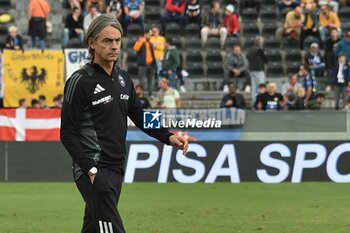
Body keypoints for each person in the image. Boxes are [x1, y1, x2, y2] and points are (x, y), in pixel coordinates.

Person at [60, 15, 189, 233]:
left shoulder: (124, 79)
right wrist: (90, 169)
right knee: (113, 228)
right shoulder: (79, 80)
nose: (114, 46)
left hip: (117, 167)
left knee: (93, 227)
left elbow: (140, 115)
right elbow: (67, 132)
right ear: (91, 43)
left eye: (117, 41)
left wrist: (168, 136)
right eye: (107, 41)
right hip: (94, 169)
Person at [133, 30, 156, 95]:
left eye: (150, 35)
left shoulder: (150, 43)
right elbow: (135, 48)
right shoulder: (140, 42)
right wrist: (142, 41)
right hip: (143, 65)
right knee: (142, 81)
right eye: (148, 34)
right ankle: (141, 95)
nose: (150, 36)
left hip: (151, 65)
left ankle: (150, 94)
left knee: (150, 81)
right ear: (144, 34)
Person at [247, 36, 268, 101]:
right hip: (258, 70)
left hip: (252, 70)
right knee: (261, 87)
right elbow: (265, 60)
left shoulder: (251, 49)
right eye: (261, 42)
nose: (262, 43)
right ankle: (260, 101)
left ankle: (254, 101)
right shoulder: (259, 50)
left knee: (254, 88)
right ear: (259, 42)